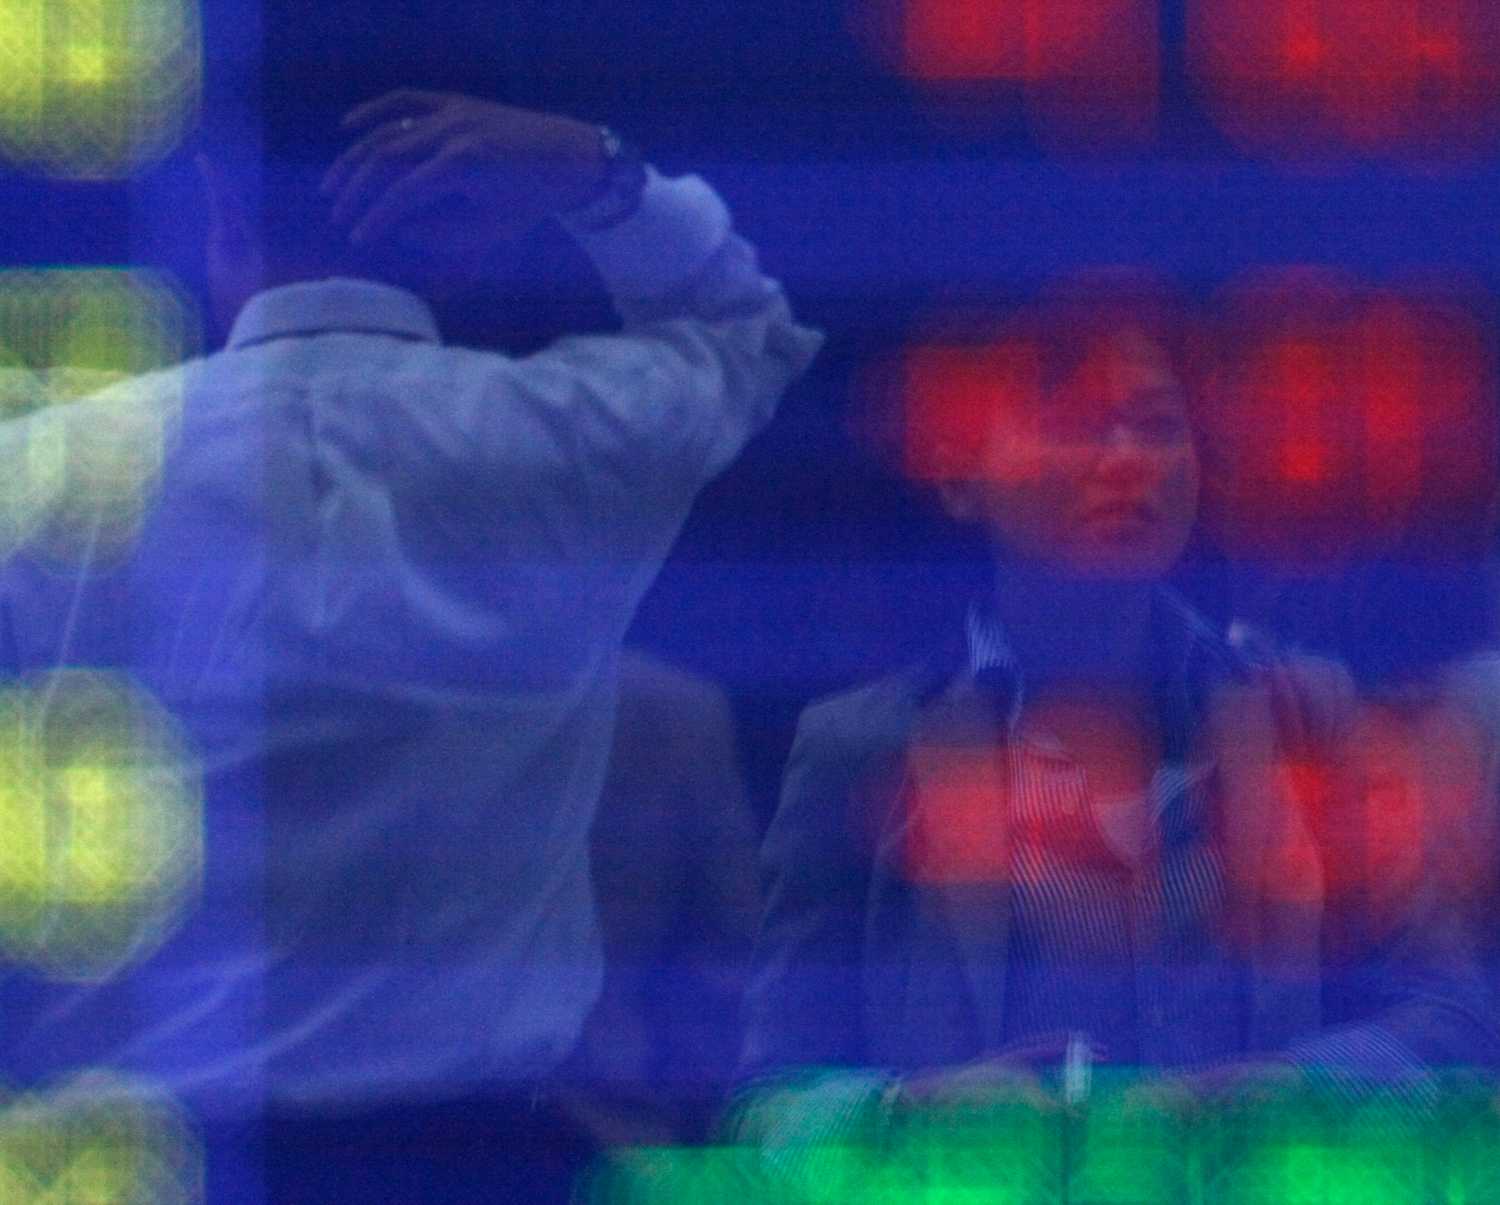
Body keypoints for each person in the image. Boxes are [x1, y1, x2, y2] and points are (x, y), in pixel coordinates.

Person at [0, 84, 819, 1200]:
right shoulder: (570, 436)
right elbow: (745, 328)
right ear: (474, 228)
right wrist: (590, 167)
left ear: (215, 205)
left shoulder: (43, 475)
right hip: (477, 1162)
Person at [732, 288, 1494, 1196]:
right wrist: (918, 1109)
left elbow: (1453, 1020)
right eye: (1073, 423)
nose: (1127, 458)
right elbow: (769, 1101)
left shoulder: (1305, 713)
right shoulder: (866, 745)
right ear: (960, 471)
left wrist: (1279, 1090)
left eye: (1157, 424)